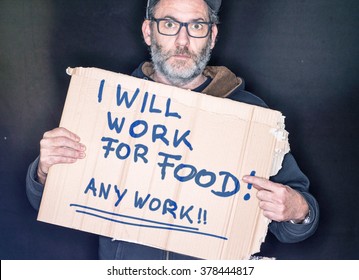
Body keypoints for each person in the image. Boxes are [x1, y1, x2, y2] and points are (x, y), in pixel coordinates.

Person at [26, 0, 319, 260]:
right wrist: (43, 172)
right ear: (148, 31)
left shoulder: (255, 116)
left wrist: (297, 210)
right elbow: (47, 201)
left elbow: (298, 224)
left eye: (196, 25)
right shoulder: (105, 103)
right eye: (169, 24)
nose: (183, 40)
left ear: (212, 36)